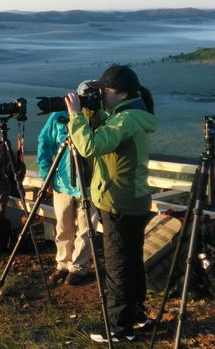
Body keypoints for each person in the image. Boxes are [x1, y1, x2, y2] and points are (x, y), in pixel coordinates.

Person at [65, 64, 157, 343]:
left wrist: (75, 116)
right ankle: (137, 315)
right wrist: (90, 112)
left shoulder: (125, 121)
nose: (102, 95)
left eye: (105, 91)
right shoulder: (132, 116)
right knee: (131, 263)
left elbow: (89, 147)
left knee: (117, 266)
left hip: (118, 201)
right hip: (134, 200)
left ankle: (118, 328)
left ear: (120, 93)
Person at [38, 80, 99, 286]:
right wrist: (45, 173)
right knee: (63, 226)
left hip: (89, 184)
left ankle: (79, 267)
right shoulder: (58, 116)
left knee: (86, 228)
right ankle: (63, 264)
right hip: (62, 182)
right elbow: (45, 142)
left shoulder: (99, 117)